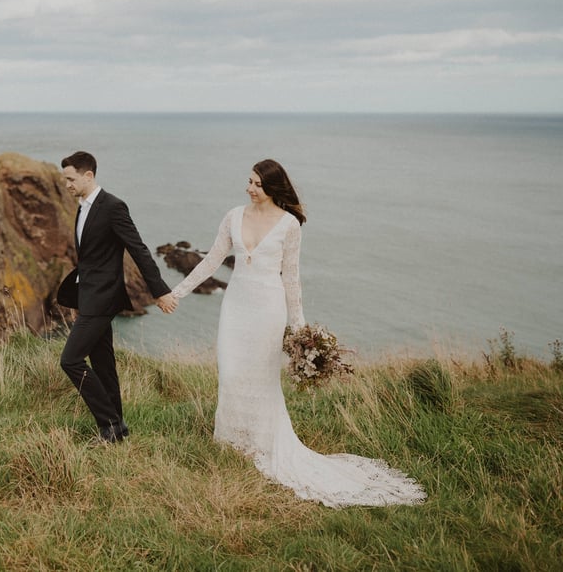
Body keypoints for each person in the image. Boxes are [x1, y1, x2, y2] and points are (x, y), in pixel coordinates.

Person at [170, 159, 426, 507]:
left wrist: (300, 330)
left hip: (267, 311)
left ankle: (260, 444)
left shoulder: (290, 225)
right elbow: (211, 260)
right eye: (249, 181)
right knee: (230, 374)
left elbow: (291, 278)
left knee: (261, 379)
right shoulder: (233, 216)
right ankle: (231, 441)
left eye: (257, 183)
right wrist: (178, 292)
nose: (250, 188)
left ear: (273, 188)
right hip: (236, 309)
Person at [56, 151, 177, 444]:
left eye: (71, 179)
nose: (67, 185)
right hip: (90, 298)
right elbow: (88, 260)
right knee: (103, 364)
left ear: (89, 175)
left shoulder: (113, 207)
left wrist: (159, 290)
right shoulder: (82, 208)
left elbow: (138, 249)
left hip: (103, 299)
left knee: (70, 360)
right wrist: (76, 301)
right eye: (65, 180)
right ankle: (117, 429)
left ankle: (109, 423)